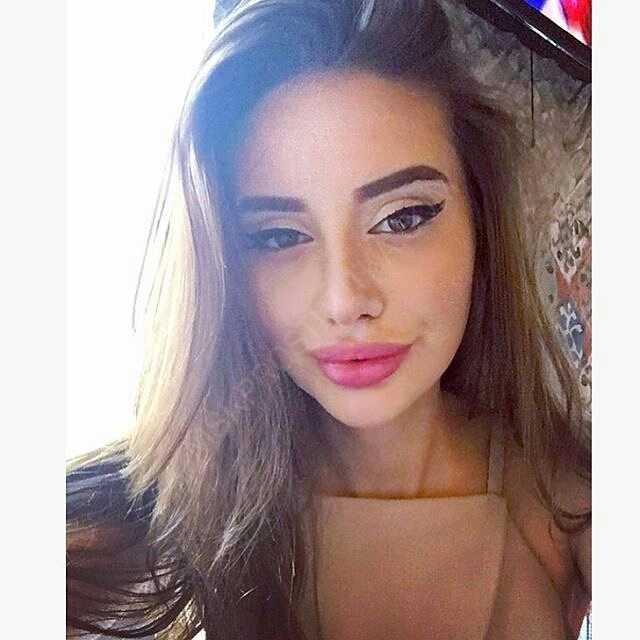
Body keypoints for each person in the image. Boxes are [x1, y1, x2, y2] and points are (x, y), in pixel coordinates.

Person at [66, 1, 591, 638]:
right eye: (279, 236)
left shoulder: (572, 503)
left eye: (401, 218)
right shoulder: (142, 528)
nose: (346, 301)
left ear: (479, 223)